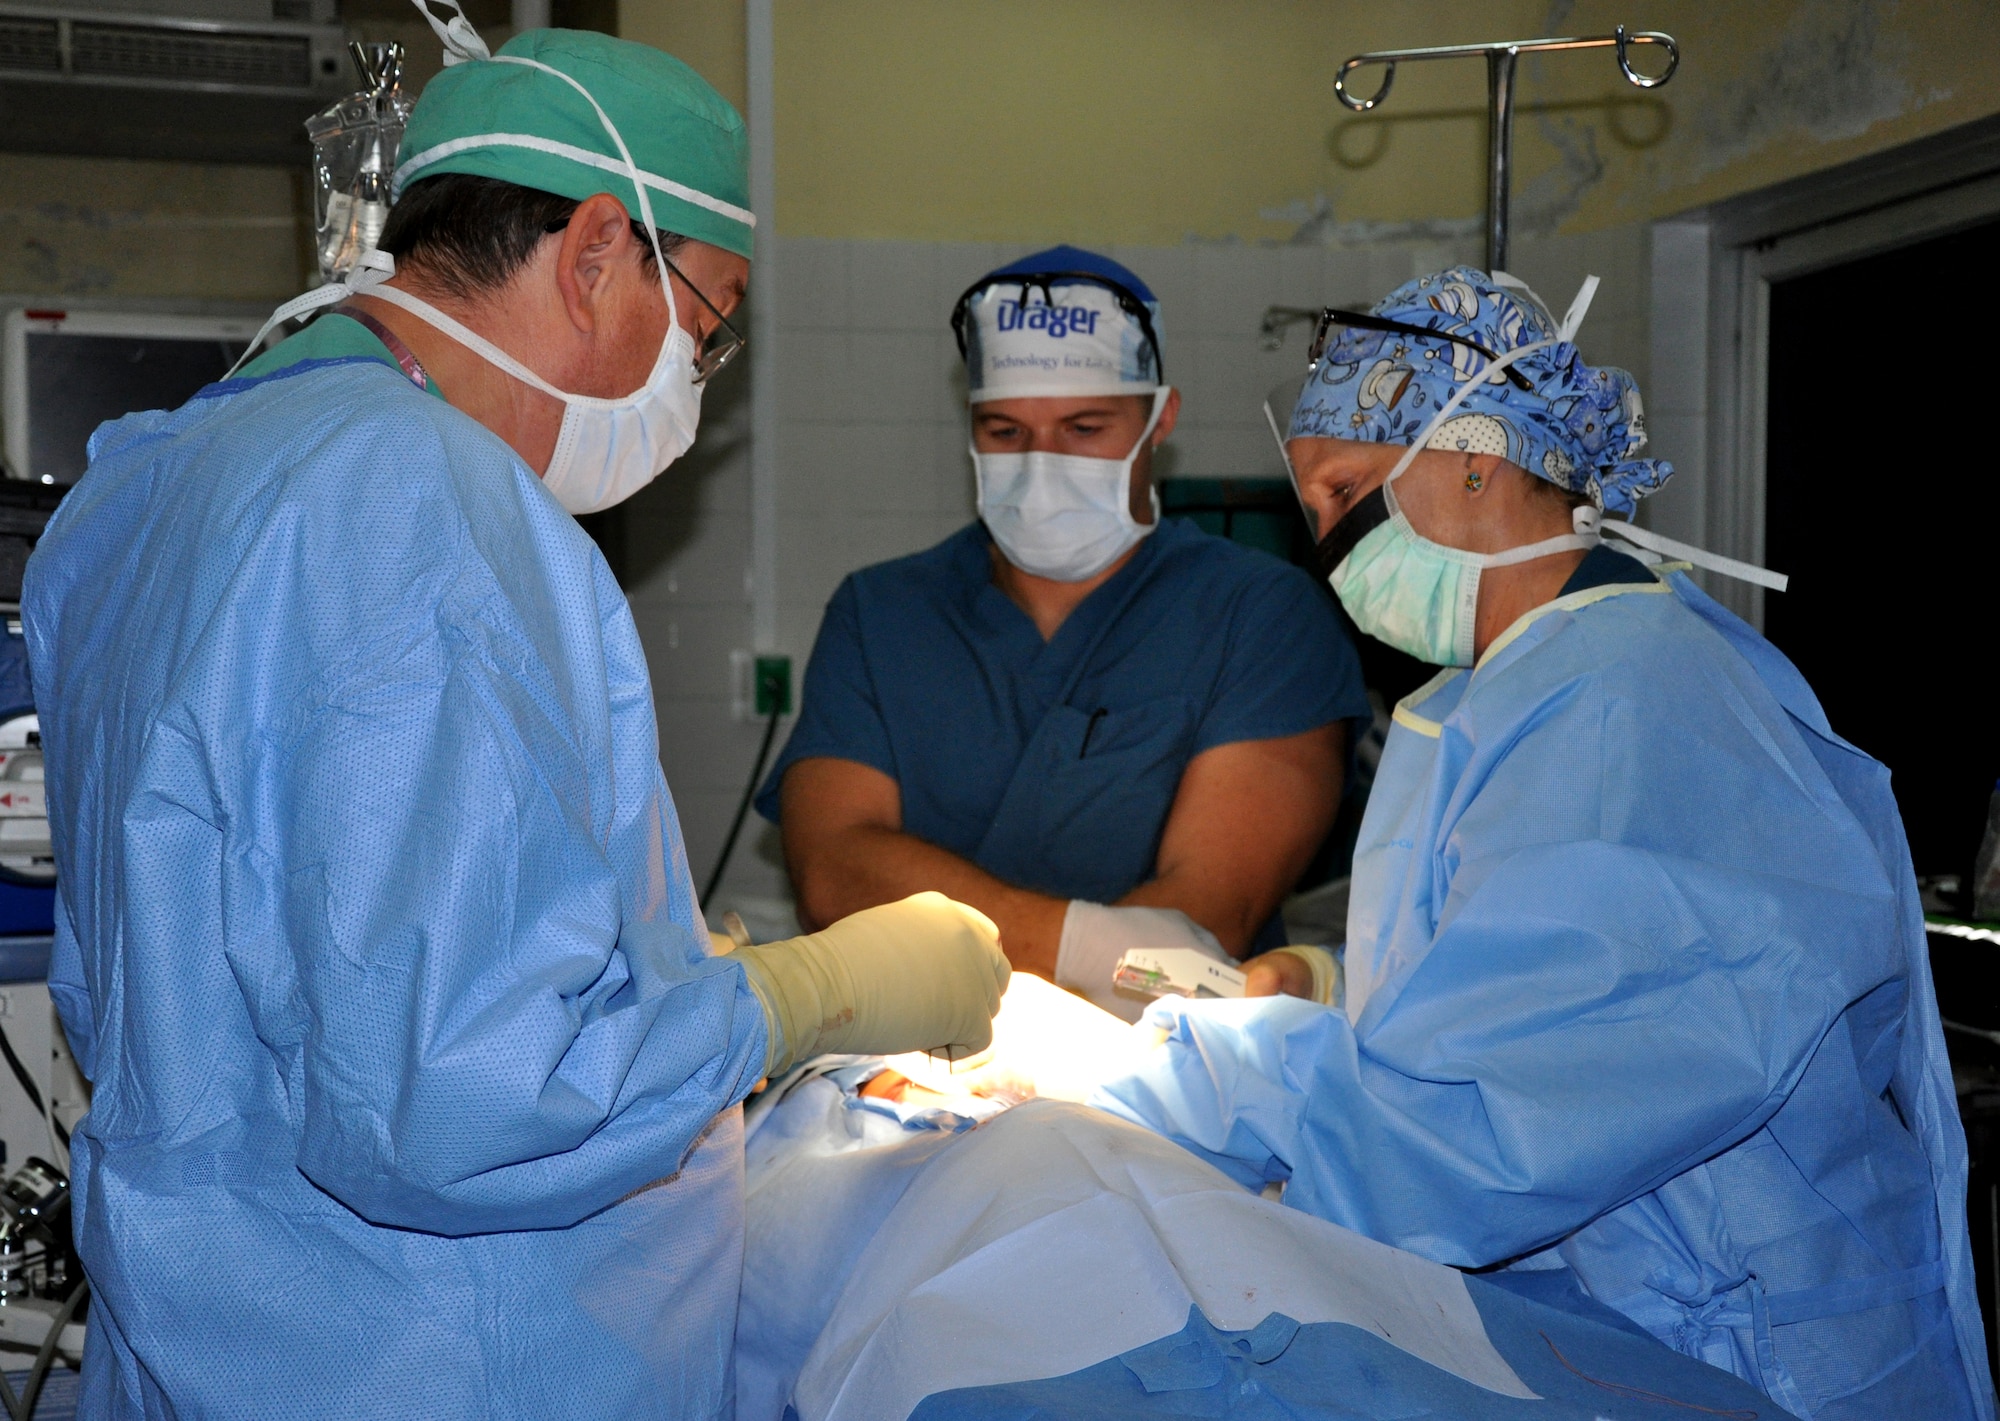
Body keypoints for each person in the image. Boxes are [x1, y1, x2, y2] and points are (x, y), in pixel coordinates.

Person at [23, 18, 1005, 1420]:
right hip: (440, 1363)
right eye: (708, 326)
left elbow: (284, 928)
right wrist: (797, 996)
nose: (696, 387)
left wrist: (644, 955)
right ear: (598, 251)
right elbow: (465, 1100)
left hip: (207, 1338)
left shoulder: (151, 479)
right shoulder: (412, 500)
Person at [1094, 267, 1994, 1419]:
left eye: (1339, 491)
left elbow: (1482, 1123)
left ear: (1471, 459)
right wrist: (1321, 987)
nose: (1323, 541)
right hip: (1643, 1317)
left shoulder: (1623, 701)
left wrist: (1176, 1067)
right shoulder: (1521, 689)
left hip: (1749, 1354)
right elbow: (1527, 995)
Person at [760, 246, 1370, 1015]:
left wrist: (988, 966)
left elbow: (1206, 921)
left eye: (1084, 427)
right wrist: (1083, 946)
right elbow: (834, 873)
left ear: (1160, 419)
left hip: (1166, 1063)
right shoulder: (881, 612)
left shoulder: (1263, 616)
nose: (1042, 464)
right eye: (1006, 431)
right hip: (914, 1058)